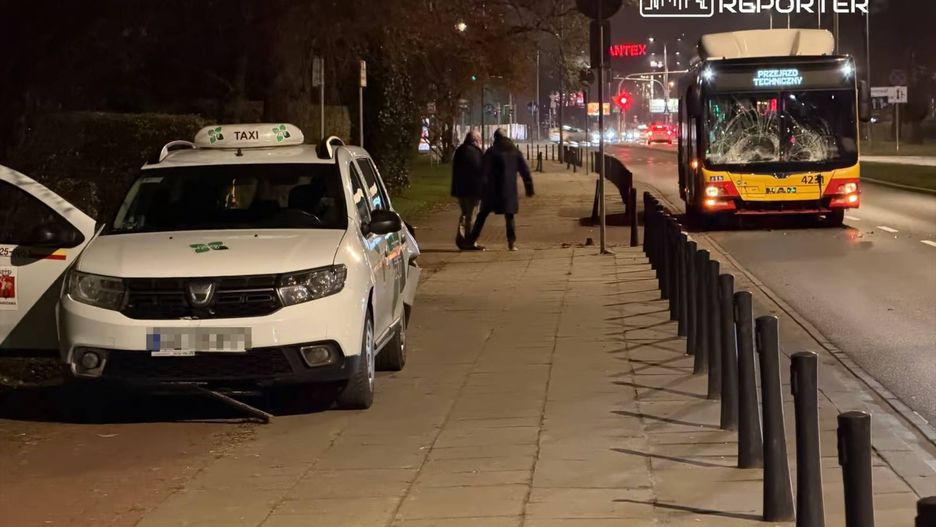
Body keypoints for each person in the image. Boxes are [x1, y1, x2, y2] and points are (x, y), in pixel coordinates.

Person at [467, 128, 534, 251]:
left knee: (482, 216)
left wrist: (480, 188)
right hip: (508, 190)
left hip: (491, 191)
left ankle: (472, 239)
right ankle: (511, 243)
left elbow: (484, 171)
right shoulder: (514, 151)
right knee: (509, 217)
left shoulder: (491, 152)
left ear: (495, 138)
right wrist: (528, 187)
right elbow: (524, 170)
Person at [450, 130, 484, 250]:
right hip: (472, 190)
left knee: (465, 214)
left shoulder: (460, 150)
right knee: (471, 216)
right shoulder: (474, 152)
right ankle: (468, 241)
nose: (480, 142)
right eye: (479, 139)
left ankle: (462, 239)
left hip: (461, 189)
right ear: (475, 140)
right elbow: (479, 171)